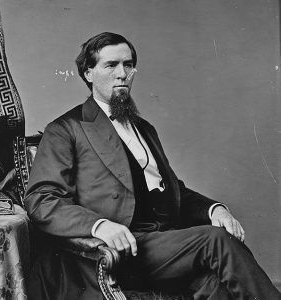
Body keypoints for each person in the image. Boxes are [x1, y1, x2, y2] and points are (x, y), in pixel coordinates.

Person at [25, 32, 281, 300]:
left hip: (165, 243)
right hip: (122, 249)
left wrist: (214, 209)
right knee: (216, 240)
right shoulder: (66, 129)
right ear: (88, 74)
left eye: (128, 64)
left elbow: (174, 191)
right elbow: (41, 199)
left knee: (213, 285)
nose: (122, 74)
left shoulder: (145, 129)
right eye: (110, 65)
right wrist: (99, 226)